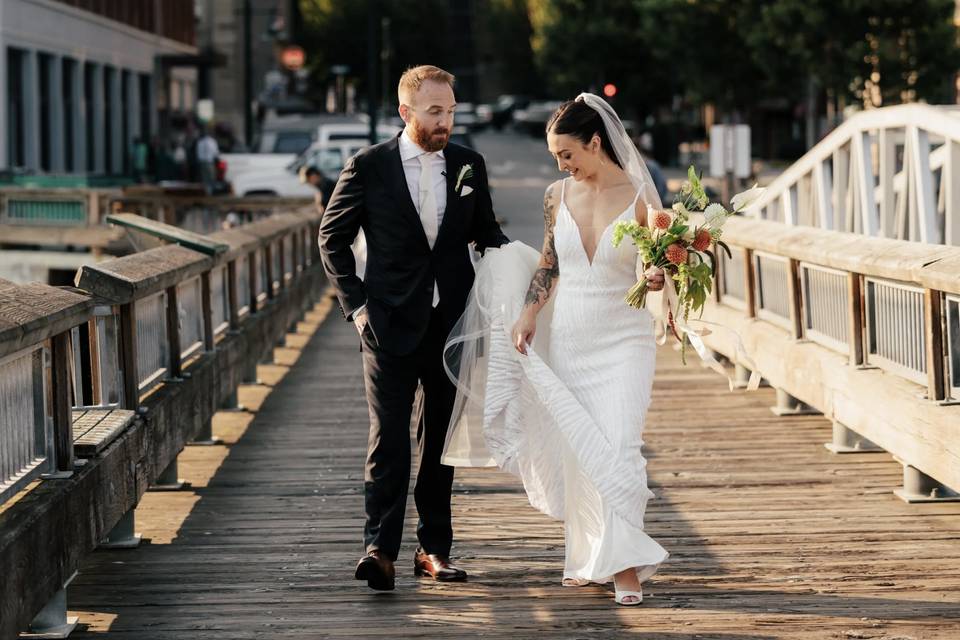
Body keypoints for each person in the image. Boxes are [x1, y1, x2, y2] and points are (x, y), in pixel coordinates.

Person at [441, 94, 669, 606]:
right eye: (554, 157)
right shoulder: (555, 195)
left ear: (594, 142)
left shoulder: (640, 197)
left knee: (620, 445)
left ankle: (626, 565)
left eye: (567, 153)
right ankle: (588, 557)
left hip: (624, 339)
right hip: (570, 335)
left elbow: (653, 270)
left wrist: (656, 276)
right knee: (580, 453)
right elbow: (550, 263)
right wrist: (528, 313)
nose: (562, 164)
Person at [318, 65, 509, 591]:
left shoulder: (469, 164)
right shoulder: (368, 167)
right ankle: (379, 549)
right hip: (386, 325)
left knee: (440, 444)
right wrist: (356, 307)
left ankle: (434, 550)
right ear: (406, 112)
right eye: (434, 112)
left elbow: (487, 233)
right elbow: (330, 238)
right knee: (389, 441)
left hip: (451, 324)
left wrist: (536, 265)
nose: (445, 121)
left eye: (450, 110)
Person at [196, 127, 220, 195]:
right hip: (210, 162)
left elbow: (198, 153)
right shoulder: (212, 141)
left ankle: (206, 191)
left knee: (205, 178)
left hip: (202, 162)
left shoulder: (200, 142)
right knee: (211, 177)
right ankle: (211, 192)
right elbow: (215, 153)